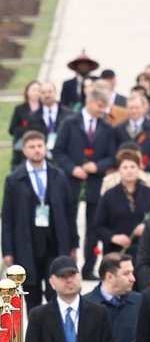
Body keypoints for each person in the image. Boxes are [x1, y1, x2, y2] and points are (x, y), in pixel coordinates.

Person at [3, 131, 79, 308]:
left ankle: (55, 332)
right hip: (26, 244)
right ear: (24, 150)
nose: (37, 150)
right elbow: (7, 218)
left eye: (40, 146)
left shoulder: (58, 175)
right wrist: (7, 250)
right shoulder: (14, 180)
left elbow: (70, 213)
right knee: (31, 293)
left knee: (56, 290)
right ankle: (36, 332)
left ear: (45, 148)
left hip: (54, 242)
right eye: (32, 147)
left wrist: (73, 244)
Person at [51, 89, 122, 276]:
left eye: (105, 106)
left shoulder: (107, 128)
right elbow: (58, 151)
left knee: (94, 225)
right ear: (90, 102)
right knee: (68, 223)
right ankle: (66, 264)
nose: (102, 110)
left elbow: (112, 157)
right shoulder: (69, 123)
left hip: (95, 183)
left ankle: (89, 267)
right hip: (71, 183)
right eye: (100, 106)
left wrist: (97, 166)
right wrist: (72, 168)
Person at [95, 148, 150, 263]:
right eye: (125, 167)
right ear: (119, 170)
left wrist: (147, 227)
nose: (129, 171)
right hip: (116, 253)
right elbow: (98, 226)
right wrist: (114, 237)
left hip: (144, 252)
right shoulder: (109, 195)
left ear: (138, 169)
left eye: (132, 167)